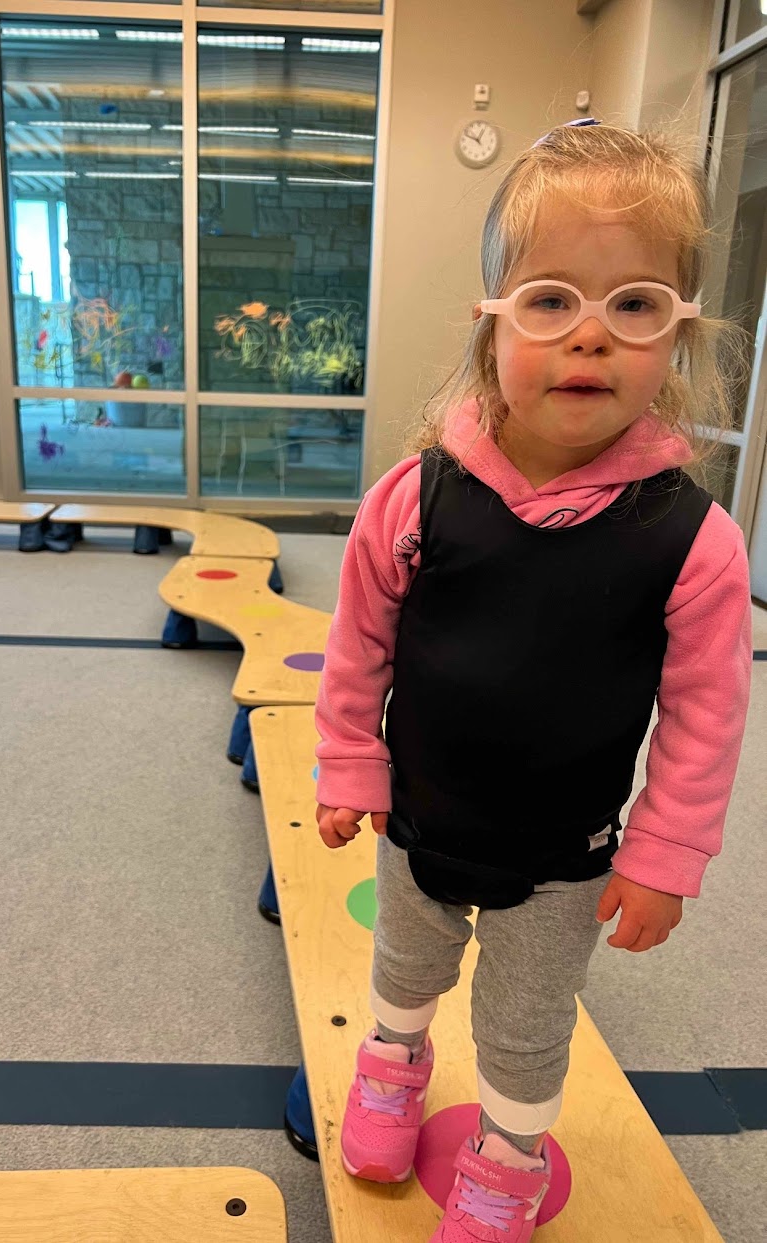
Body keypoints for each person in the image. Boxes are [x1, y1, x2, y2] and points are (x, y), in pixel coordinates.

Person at [314, 119, 753, 1242]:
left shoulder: (689, 539)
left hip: (564, 855)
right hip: (420, 816)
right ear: (490, 322)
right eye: (550, 301)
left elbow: (705, 714)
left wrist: (664, 854)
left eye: (634, 307)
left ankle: (508, 1155)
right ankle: (390, 1065)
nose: (588, 342)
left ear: (678, 337)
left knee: (524, 1021)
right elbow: (358, 639)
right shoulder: (413, 498)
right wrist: (349, 759)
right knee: (404, 967)